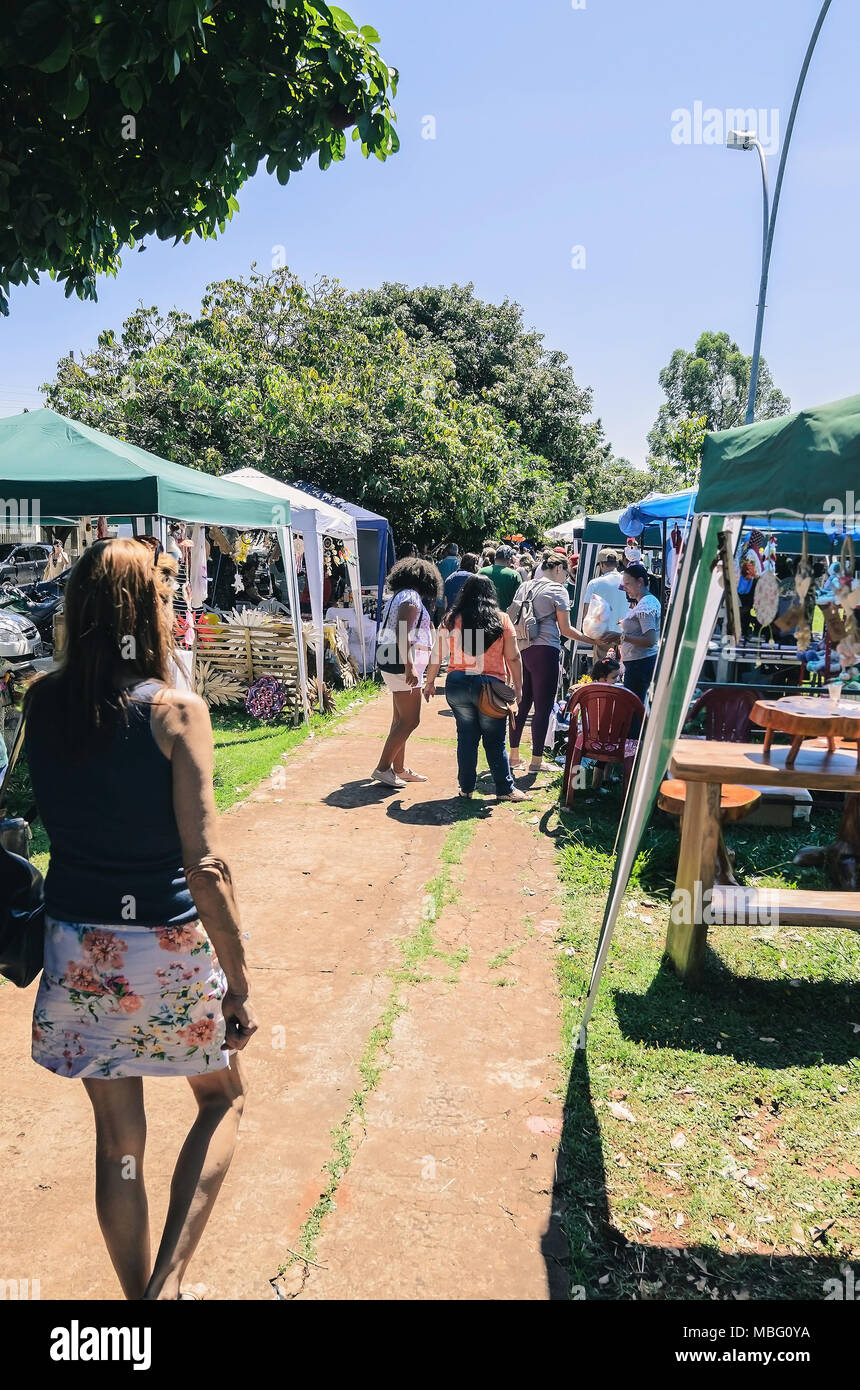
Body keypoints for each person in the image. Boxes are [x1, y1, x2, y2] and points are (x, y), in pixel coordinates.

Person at [23, 538, 256, 1301]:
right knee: (222, 1099)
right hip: (166, 944)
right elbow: (207, 867)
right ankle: (170, 1288)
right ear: (146, 610)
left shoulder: (41, 701)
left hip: (77, 950)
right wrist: (241, 979)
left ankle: (141, 1306)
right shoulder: (174, 711)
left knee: (120, 1142)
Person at [423, 576, 528, 803]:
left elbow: (436, 653)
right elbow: (513, 656)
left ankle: (466, 788)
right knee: (494, 740)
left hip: (457, 682)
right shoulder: (502, 619)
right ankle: (505, 789)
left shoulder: (451, 619)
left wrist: (430, 682)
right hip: (490, 686)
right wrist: (518, 686)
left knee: (466, 737)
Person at [508, 553, 588, 773]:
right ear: (559, 569)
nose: (566, 578)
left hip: (522, 648)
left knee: (521, 704)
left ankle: (513, 757)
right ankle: (536, 761)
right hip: (545, 650)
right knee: (543, 708)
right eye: (567, 572)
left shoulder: (524, 586)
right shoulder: (557, 590)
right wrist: (591, 640)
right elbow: (566, 629)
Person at [372, 556, 443, 789]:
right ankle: (383, 768)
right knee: (411, 720)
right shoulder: (411, 597)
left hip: (392, 661)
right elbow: (404, 630)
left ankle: (398, 769)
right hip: (402, 665)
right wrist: (410, 665)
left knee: (400, 720)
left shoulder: (399, 596)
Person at [620, 562, 661, 708]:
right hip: (638, 662)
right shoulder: (643, 603)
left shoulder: (646, 604)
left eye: (628, 584)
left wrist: (621, 637)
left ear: (640, 582)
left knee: (634, 709)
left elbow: (650, 639)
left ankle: (635, 732)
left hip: (641, 663)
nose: (625, 588)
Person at [583, 548, 629, 654]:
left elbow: (587, 613)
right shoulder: (628, 581)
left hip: (603, 637)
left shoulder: (594, 583)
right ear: (617, 563)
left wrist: (590, 637)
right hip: (625, 637)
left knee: (603, 669)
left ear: (602, 564)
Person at [480, 543, 521, 611]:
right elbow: (518, 600)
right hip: (506, 617)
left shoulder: (481, 571)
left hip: (483, 615)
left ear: (495, 558)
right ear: (509, 560)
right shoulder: (514, 575)